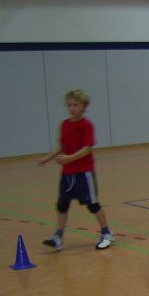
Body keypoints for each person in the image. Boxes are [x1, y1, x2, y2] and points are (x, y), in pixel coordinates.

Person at [39, 89, 114, 251]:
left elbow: (87, 149)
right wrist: (47, 158)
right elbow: (62, 146)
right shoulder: (65, 124)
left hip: (84, 173)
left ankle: (106, 233)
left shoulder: (86, 125)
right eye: (69, 105)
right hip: (68, 174)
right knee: (62, 204)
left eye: (75, 105)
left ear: (84, 106)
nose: (72, 108)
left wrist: (69, 158)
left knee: (92, 204)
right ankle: (58, 236)